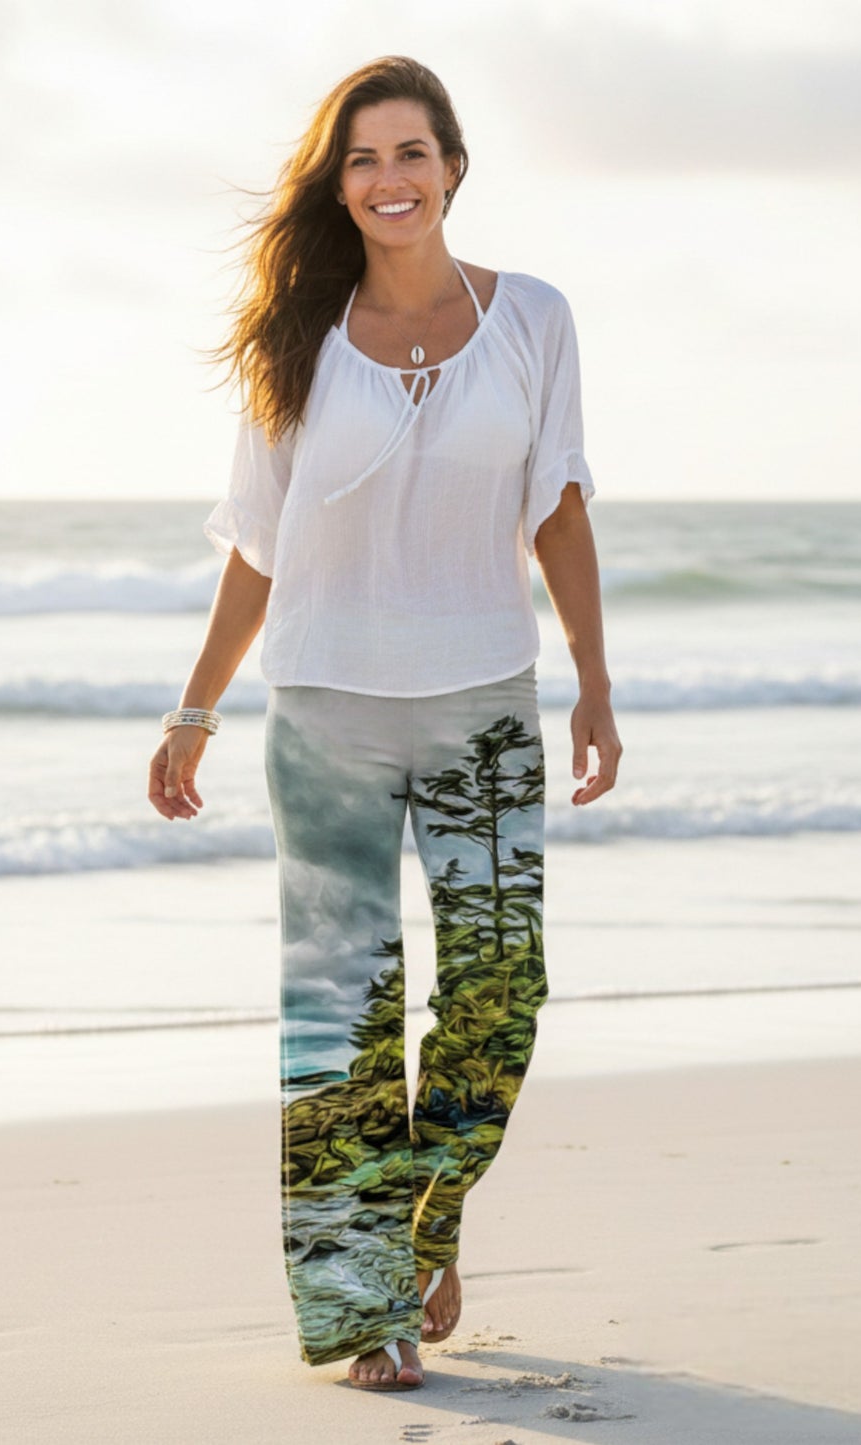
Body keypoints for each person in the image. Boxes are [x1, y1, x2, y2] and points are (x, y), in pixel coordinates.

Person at [148, 55, 622, 1391]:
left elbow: (559, 505)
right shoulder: (295, 338)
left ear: (453, 167)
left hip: (481, 700)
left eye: (409, 153)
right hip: (325, 711)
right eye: (361, 159)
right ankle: (362, 1310)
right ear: (338, 183)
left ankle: (425, 1222)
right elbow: (257, 545)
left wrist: (591, 677)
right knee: (341, 1016)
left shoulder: (530, 319)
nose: (387, 179)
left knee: (496, 997)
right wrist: (196, 705)